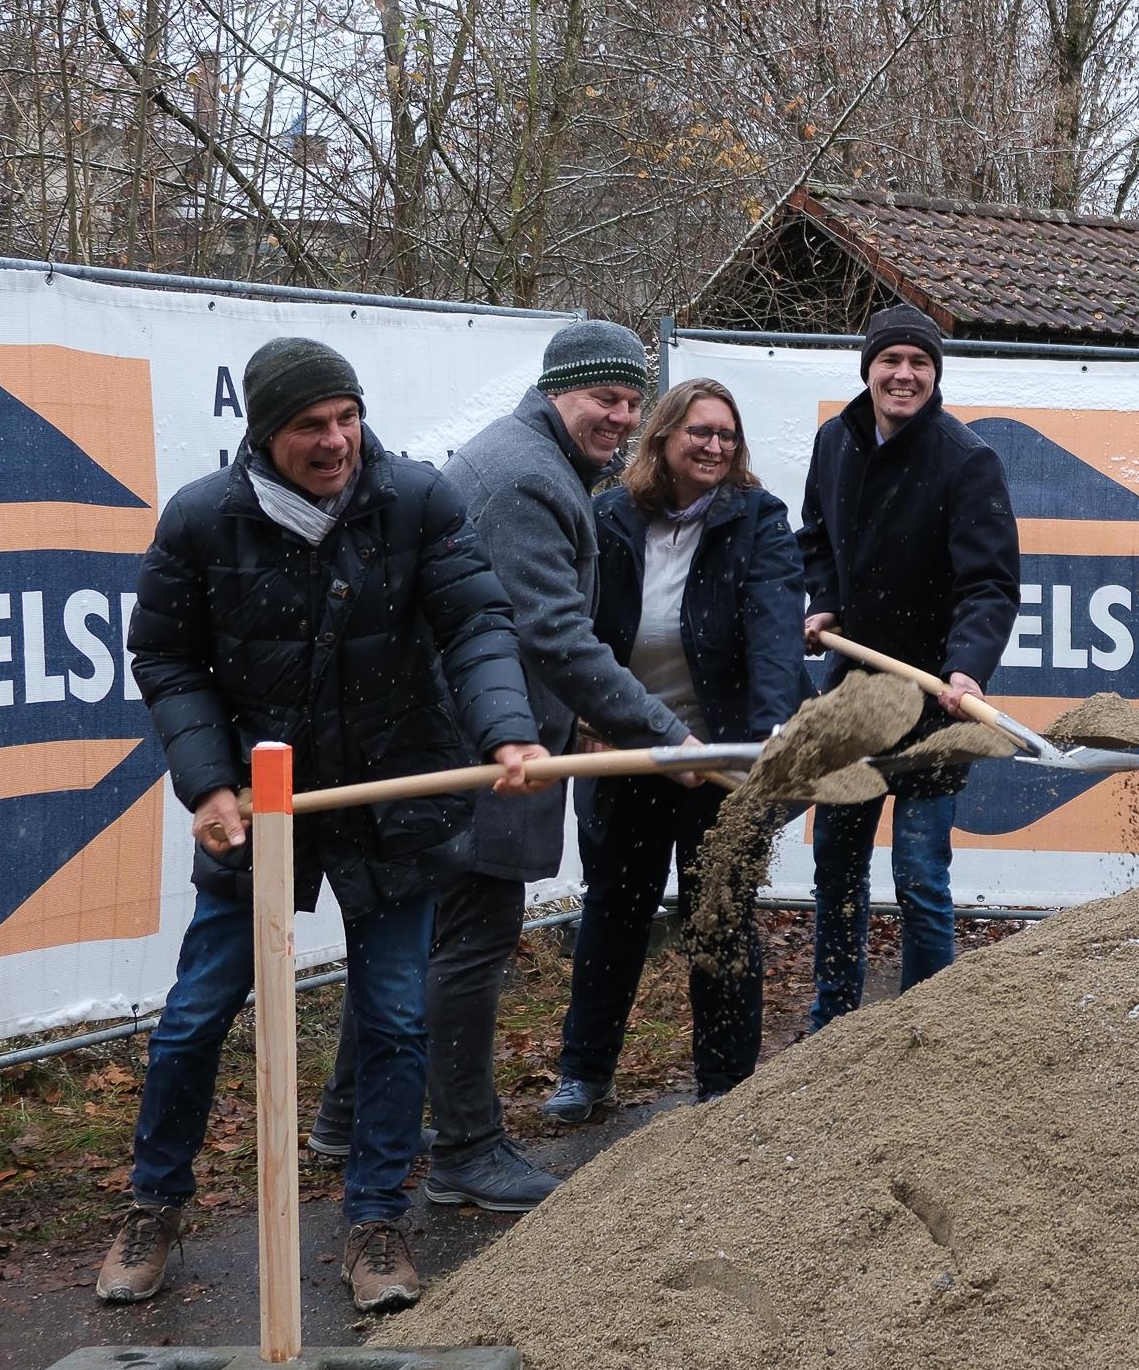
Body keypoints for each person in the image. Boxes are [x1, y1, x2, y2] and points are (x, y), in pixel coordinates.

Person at [103, 337, 545, 1314]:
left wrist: (507, 728)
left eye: (347, 416)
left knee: (393, 1016)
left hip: (393, 796)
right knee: (192, 1019)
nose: (338, 439)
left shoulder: (417, 500)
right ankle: (154, 1202)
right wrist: (210, 784)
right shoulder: (203, 522)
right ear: (266, 431)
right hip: (259, 802)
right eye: (312, 424)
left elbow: (476, 623)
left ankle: (375, 1218)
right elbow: (168, 659)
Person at [313, 319, 696, 1191]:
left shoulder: (538, 462)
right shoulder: (526, 479)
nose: (621, 417)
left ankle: (344, 1117)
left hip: (474, 734)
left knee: (422, 937)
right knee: (469, 943)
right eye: (606, 398)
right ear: (559, 390)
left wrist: (588, 719)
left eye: (635, 403)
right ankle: (464, 1149)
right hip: (477, 748)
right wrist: (668, 737)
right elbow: (553, 635)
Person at [547, 379, 806, 1112]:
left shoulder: (757, 520)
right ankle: (585, 1072)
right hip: (627, 751)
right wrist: (587, 724)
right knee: (614, 911)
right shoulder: (608, 516)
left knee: (717, 912)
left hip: (722, 756)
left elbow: (775, 632)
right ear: (662, 437)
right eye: (700, 432)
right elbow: (577, 632)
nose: (715, 446)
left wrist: (766, 740)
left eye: (727, 435)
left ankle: (725, 1086)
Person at [796, 304, 1019, 1027]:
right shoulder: (836, 442)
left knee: (921, 876)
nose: (904, 374)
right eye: (891, 360)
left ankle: (929, 1030)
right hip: (854, 699)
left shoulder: (965, 459)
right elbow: (815, 537)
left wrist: (966, 670)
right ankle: (835, 1020)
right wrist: (826, 603)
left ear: (935, 374)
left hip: (933, 707)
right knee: (836, 864)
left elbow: (989, 585)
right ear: (868, 368)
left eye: (919, 362)